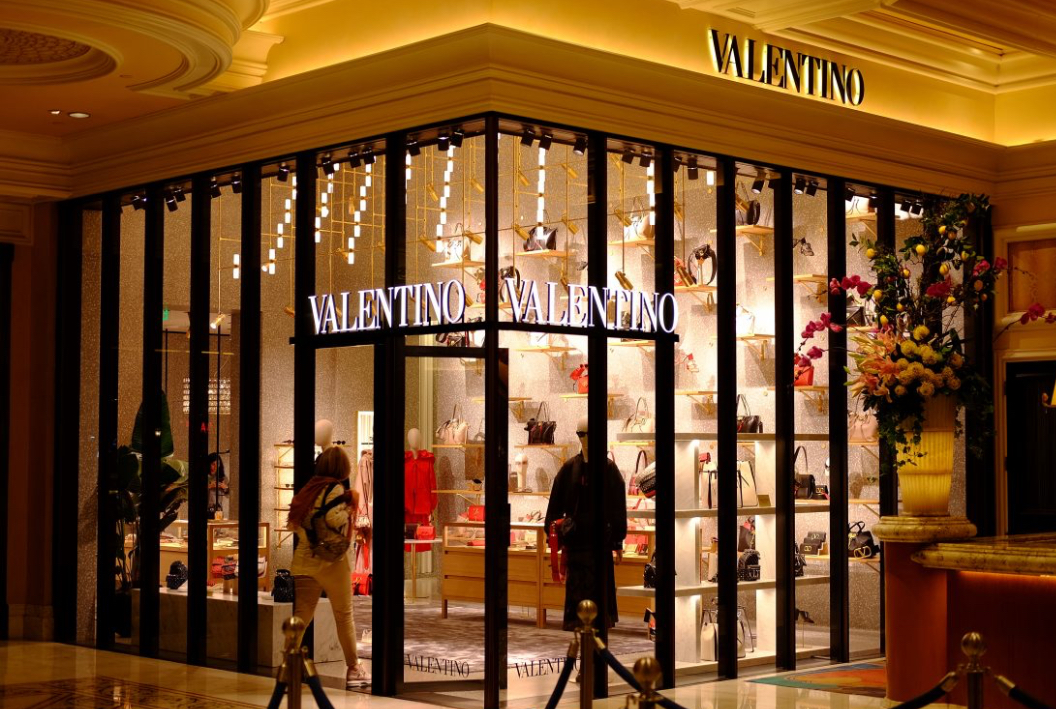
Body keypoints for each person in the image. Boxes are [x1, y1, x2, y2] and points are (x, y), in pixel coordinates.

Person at [287, 446, 370, 688]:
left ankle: (289, 665)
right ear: (341, 468)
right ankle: (353, 668)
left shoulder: (308, 490)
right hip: (332, 563)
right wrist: (349, 508)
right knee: (343, 616)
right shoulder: (335, 489)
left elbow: (296, 523)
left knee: (301, 617)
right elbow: (334, 518)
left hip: (304, 560)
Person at [544, 416, 627, 632]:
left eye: (587, 435)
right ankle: (582, 643)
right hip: (577, 545)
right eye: (580, 435)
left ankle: (596, 645)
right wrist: (555, 534)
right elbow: (555, 504)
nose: (584, 440)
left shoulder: (609, 469)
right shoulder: (569, 468)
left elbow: (617, 507)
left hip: (600, 545)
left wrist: (617, 541)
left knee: (599, 600)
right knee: (577, 601)